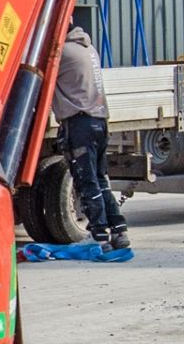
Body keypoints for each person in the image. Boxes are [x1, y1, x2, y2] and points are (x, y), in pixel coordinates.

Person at [51, 24, 129, 252]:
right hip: (99, 121)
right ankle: (119, 231)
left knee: (87, 181)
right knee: (100, 179)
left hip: (80, 124)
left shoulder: (63, 52)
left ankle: (99, 237)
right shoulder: (87, 48)